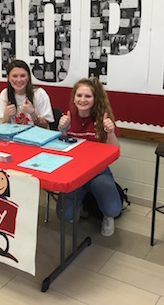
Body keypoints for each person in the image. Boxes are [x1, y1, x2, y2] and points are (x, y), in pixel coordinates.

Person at [57, 77, 122, 236]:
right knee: (65, 215)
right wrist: (62, 130)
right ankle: (78, 203)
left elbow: (114, 151)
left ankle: (106, 215)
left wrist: (111, 132)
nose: (82, 100)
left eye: (88, 96)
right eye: (79, 95)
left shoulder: (103, 118)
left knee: (114, 209)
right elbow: (60, 149)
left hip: (98, 172)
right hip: (73, 172)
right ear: (74, 98)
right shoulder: (68, 117)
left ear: (95, 99)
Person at [0, 60, 54, 128]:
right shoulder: (5, 94)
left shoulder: (39, 93)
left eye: (23, 76)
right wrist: (6, 116)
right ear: (8, 78)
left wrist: (33, 113)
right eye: (14, 76)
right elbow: (4, 128)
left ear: (28, 77)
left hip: (35, 136)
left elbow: (45, 127)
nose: (19, 80)